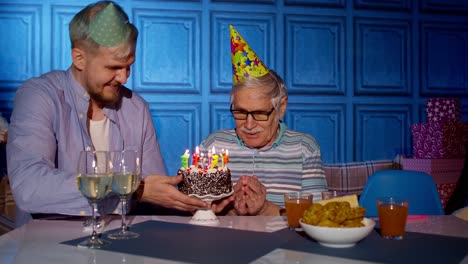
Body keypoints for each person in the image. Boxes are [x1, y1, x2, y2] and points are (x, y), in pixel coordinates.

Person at [7, 1, 207, 226]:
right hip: (48, 245)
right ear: (79, 58)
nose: (124, 78)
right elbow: (30, 187)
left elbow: (155, 194)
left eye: (128, 66)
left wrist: (196, 205)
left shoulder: (136, 108)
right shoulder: (39, 96)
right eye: (113, 67)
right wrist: (131, 190)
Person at [202, 25, 328, 216]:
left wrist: (266, 209)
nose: (249, 125)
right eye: (240, 113)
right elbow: (196, 214)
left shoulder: (304, 148)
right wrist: (227, 209)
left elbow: (319, 217)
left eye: (260, 113)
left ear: (281, 107)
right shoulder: (214, 146)